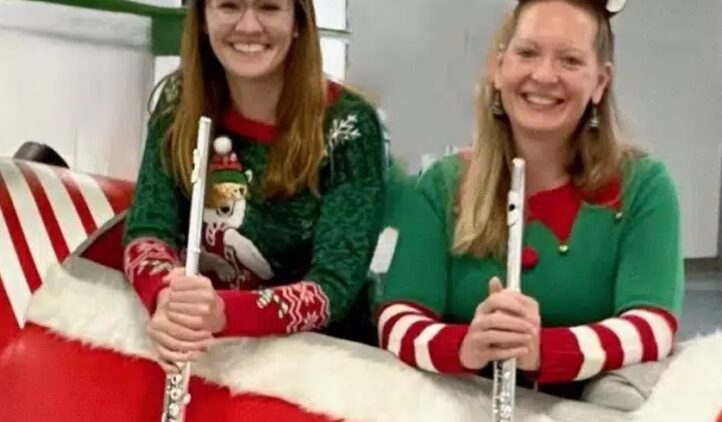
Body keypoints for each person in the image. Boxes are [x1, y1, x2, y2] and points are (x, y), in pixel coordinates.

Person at [375, 0, 683, 398]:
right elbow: (397, 319)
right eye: (527, 53)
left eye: (570, 60)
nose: (543, 75)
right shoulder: (444, 183)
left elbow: (653, 326)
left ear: (600, 82)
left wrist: (541, 350)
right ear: (500, 67)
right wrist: (467, 345)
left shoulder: (645, 185)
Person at [123, 0, 387, 372]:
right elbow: (148, 230)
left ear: (299, 22)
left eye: (269, 7)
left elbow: (334, 287)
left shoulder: (350, 125)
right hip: (209, 354)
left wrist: (222, 313)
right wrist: (166, 296)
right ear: (201, 18)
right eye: (229, 6)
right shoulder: (177, 100)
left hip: (322, 368)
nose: (249, 26)